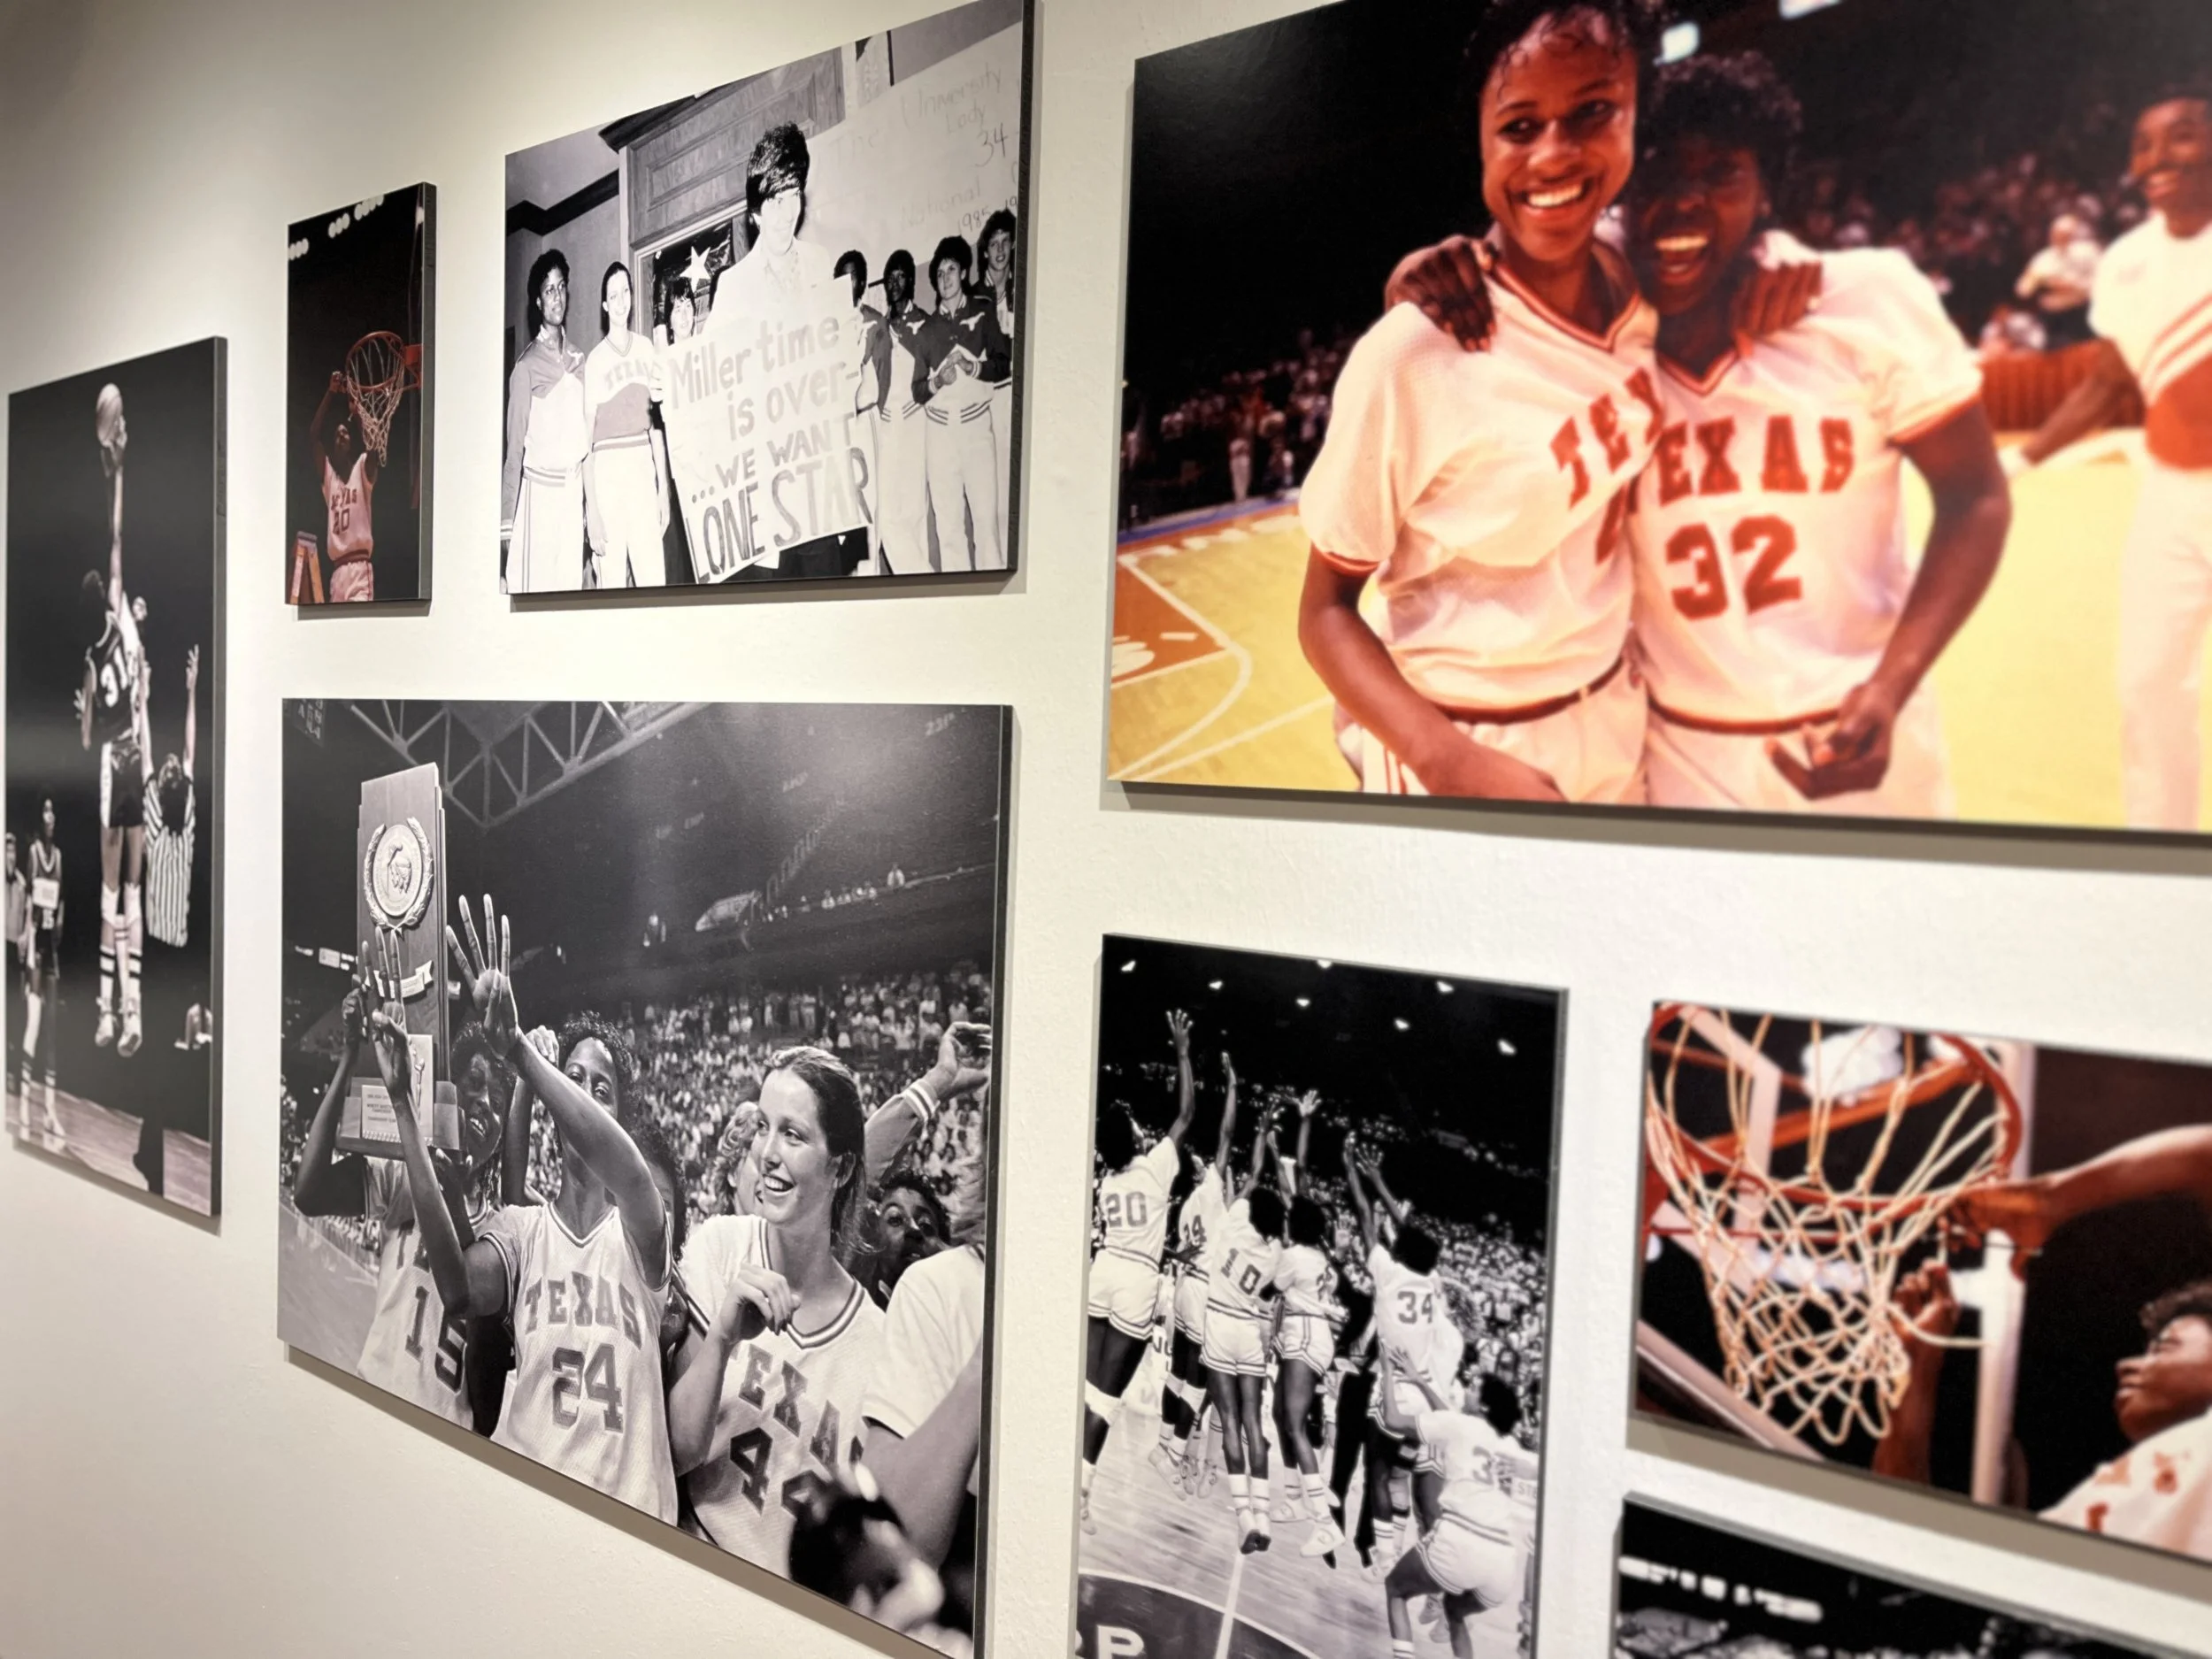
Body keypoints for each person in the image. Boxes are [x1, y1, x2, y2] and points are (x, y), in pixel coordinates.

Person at [1614, 53, 2008, 813]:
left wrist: (1891, 686)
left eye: (1722, 174)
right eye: (1658, 172)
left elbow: (1976, 495)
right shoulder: (1596, 331)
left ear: (1766, 194)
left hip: (1863, 724)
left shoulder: (1864, 298)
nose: (1685, 199)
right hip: (1683, 756)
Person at [1296, 0, 1669, 803]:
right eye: (1520, 125)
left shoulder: (1652, 278)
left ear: (1638, 113)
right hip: (1465, 735)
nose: (1554, 152)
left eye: (1593, 111)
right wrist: (1445, 761)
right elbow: (1324, 612)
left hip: (1617, 709)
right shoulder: (1416, 351)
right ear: (1481, 139)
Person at [398, 900, 679, 1521]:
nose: (582, 1093)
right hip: (524, 1505)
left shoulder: (640, 1226)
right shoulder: (524, 1230)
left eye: (600, 1087)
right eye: (571, 1078)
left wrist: (525, 1056)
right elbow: (457, 1289)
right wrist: (405, 1109)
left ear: (621, 1118)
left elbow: (631, 1174)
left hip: (628, 1521)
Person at [2011, 87, 2212, 829]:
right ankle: (2162, 850)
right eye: (2142, 145)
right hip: (2169, 497)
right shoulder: (2126, 261)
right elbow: (2106, 385)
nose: (2157, 159)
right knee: (2148, 685)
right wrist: (2020, 462)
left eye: (2181, 137)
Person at [1878, 1124, 2212, 1561]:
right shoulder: (2085, 1512)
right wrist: (1916, 1368)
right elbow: (1908, 1557)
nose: (2125, 1366)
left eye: (2166, 1346)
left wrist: (2052, 1197)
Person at [669, 1048, 884, 1576]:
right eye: (764, 1126)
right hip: (692, 1560)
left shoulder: (879, 1341)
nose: (767, 1152)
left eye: (793, 1134)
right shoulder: (721, 1246)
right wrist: (722, 1338)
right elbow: (677, 1451)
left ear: (841, 1167)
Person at [294, 956, 509, 1430]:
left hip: (444, 1434)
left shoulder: (502, 1233)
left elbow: (487, 1398)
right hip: (373, 1399)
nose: (484, 1105)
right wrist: (348, 1056)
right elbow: (309, 1192)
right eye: (475, 1085)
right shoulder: (406, 1173)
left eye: (499, 1102)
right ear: (450, 1089)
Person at [709, 123, 869, 580]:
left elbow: (841, 382)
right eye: (775, 200)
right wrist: (672, 390)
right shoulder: (733, 287)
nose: (786, 212)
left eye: (794, 195)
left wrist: (851, 357)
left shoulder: (820, 266)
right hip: (764, 498)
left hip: (818, 489)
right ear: (755, 212)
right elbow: (708, 388)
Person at [1079, 1009, 1199, 1533]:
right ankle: (1080, 1496)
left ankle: (1069, 1482)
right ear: (1130, 1138)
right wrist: (1182, 1052)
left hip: (1103, 1269)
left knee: (1085, 1393)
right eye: (1131, 1125)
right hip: (1135, 1281)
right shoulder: (1155, 1168)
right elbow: (1187, 1113)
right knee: (1106, 1401)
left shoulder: (1108, 1182)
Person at [1378, 1356, 1532, 1659]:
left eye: (1473, 1388)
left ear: (1484, 1406)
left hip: (1459, 1542)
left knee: (1396, 1588)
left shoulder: (1461, 1426)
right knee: (1455, 1612)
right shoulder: (1508, 1444)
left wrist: (1386, 1371)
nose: (1467, 1390)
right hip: (1502, 1564)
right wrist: (1421, 1382)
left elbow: (1393, 1419)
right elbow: (1449, 1421)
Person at [78, 394, 148, 1057]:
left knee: (126, 890)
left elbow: (118, 537)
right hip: (120, 759)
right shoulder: (107, 632)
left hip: (128, 757)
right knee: (117, 891)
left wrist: (117, 470)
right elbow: (117, 539)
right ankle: (112, 1010)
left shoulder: (113, 628)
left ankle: (127, 1012)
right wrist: (117, 471)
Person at [1197, 1125, 1287, 1553]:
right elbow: (1280, 1206)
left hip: (1219, 1322)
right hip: (1250, 1331)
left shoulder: (1233, 1222)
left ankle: (1244, 1518)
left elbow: (1250, 1180)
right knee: (1254, 1424)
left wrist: (1260, 1140)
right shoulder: (1274, 1255)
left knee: (1229, 1421)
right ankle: (1264, 1515)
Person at [1154, 1050, 1241, 1486]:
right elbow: (1227, 1134)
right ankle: (1175, 1453)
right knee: (1197, 1382)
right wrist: (1233, 1087)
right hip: (1204, 1293)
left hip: (1184, 1291)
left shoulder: (1187, 1204)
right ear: (1201, 1172)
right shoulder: (1208, 1191)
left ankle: (1164, 1442)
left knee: (1176, 1372)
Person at [1268, 1094, 1345, 1555]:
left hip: (1306, 1335)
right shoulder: (1318, 1249)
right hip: (1308, 1333)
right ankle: (1296, 1497)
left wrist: (1299, 1127)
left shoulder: (1296, 1255)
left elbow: (1271, 1288)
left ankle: (1323, 1522)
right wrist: (1304, 1124)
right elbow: (1297, 1178)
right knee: (1281, 1416)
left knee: (1295, 1424)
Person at [911, 235, 1005, 572]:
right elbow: (917, 391)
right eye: (939, 273)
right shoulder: (927, 331)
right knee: (949, 529)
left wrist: (973, 366)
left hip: (976, 428)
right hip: (940, 434)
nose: (945, 278)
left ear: (964, 272)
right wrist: (937, 381)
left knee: (986, 525)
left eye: (951, 269)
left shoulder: (983, 310)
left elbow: (1003, 363)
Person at [502, 250, 588, 593]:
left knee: (568, 602)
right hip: (538, 499)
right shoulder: (525, 368)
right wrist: (506, 525)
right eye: (549, 290)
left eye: (561, 286)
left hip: (572, 497)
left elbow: (586, 442)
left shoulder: (580, 360)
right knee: (533, 603)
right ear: (538, 302)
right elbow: (513, 454)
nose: (557, 296)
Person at [581, 263, 671, 588]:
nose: (621, 302)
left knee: (653, 583)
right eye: (613, 295)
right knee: (612, 588)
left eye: (625, 292)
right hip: (608, 481)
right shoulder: (595, 361)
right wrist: (592, 509)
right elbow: (585, 444)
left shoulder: (647, 349)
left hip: (642, 477)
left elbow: (656, 428)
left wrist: (663, 491)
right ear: (605, 305)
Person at [874, 251, 933, 574]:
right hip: (886, 425)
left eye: (900, 277)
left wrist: (921, 400)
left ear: (910, 280)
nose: (894, 284)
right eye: (890, 278)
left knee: (914, 512)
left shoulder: (924, 322)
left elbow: (936, 373)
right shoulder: (880, 327)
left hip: (915, 420)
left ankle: (920, 591)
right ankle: (923, 576)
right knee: (887, 516)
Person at [310, 366, 380, 601]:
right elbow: (313, 437)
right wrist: (330, 393)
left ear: (351, 443)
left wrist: (357, 413)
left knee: (359, 623)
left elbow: (373, 447)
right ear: (333, 446)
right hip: (337, 572)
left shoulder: (362, 468)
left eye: (345, 433)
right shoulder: (330, 480)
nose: (341, 435)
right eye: (337, 434)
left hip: (360, 568)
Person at [19, 800, 64, 1143]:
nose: (51, 816)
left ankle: (49, 1109)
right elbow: (30, 901)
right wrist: (29, 941)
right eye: (46, 811)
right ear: (40, 817)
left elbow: (59, 900)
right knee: (33, 1022)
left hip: (52, 949)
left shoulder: (58, 856)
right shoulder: (34, 852)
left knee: (52, 1028)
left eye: (53, 811)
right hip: (36, 945)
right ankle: (23, 1102)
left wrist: (58, 925)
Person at [976, 209, 1018, 553]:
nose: (1001, 249)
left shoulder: (1025, 289)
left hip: (1019, 398)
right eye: (994, 243)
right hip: (989, 402)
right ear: (985, 251)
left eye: (1006, 241)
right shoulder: (976, 297)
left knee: (1020, 490)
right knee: (993, 499)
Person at [2016, 212, 2102, 349]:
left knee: (2089, 352)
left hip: (2080, 313)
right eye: (2055, 233)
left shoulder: (2089, 252)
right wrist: (2034, 281)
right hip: (2051, 319)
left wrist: (2071, 286)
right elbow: (2022, 291)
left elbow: (2100, 281)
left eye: (2065, 234)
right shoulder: (2042, 258)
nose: (2058, 237)